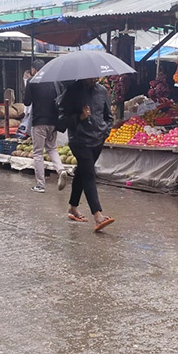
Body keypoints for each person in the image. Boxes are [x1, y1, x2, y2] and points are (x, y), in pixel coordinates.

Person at [58, 77, 115, 232]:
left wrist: (105, 132)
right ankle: (97, 214)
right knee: (89, 173)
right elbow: (61, 121)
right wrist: (79, 118)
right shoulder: (71, 92)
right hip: (79, 141)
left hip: (98, 140)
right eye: (91, 76)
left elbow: (108, 117)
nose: (94, 78)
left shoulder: (102, 91)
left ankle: (72, 208)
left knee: (82, 173)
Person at [23, 59, 68, 193]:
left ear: (34, 70)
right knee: (52, 149)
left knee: (38, 153)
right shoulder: (55, 81)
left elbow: (26, 102)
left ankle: (40, 185)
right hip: (54, 122)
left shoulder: (32, 82)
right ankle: (61, 170)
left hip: (39, 122)